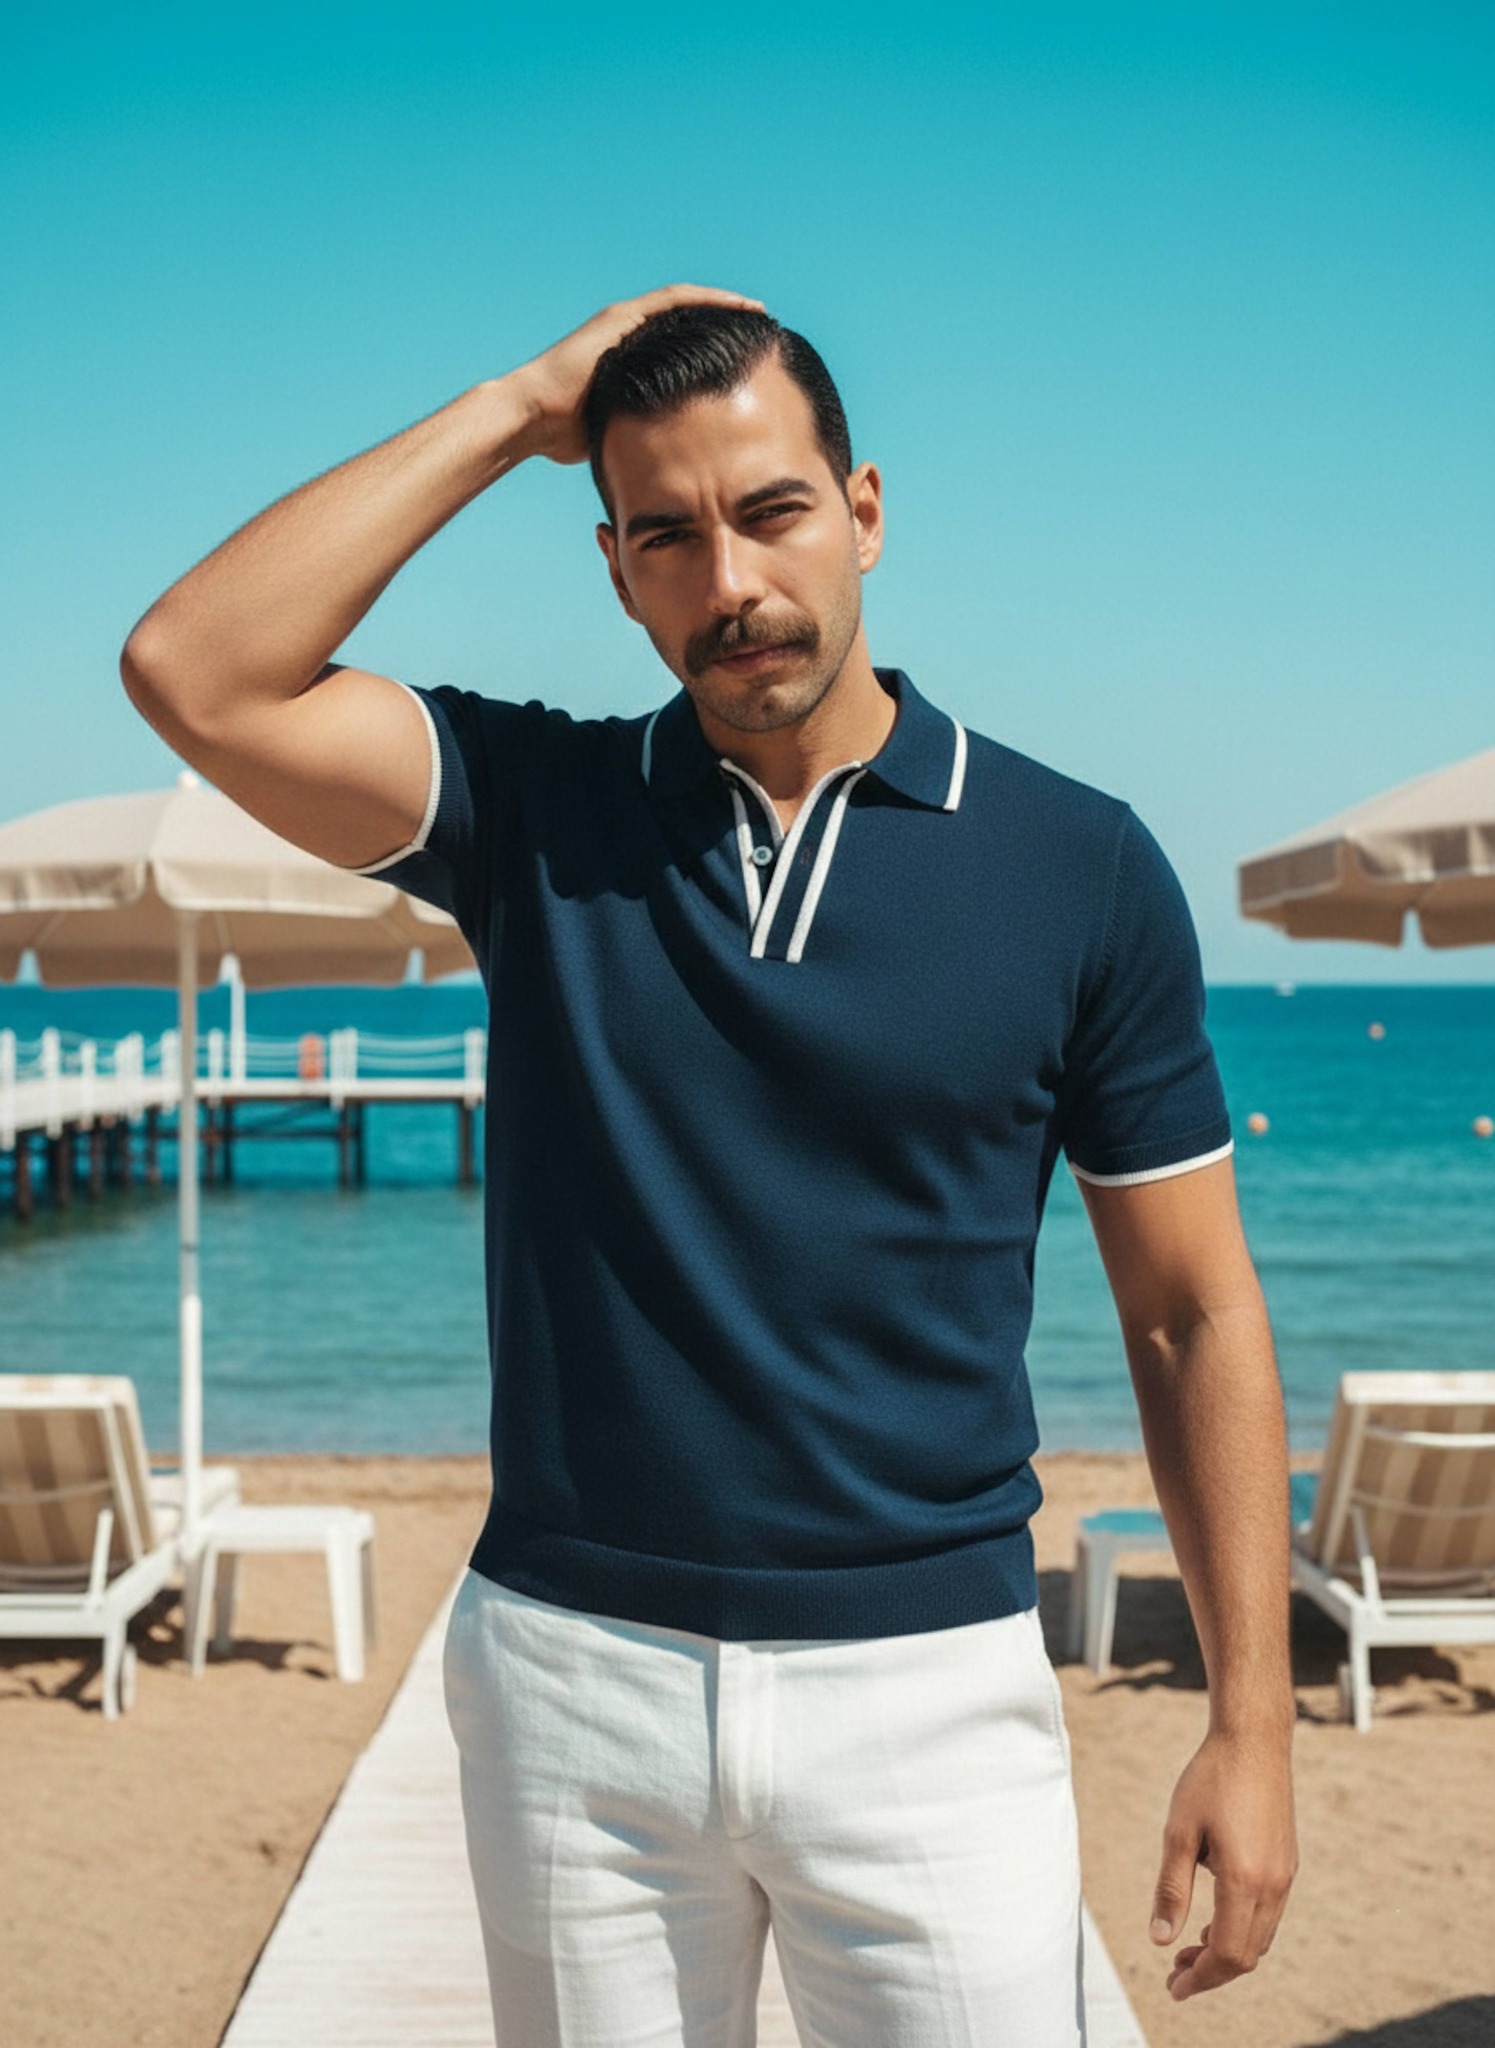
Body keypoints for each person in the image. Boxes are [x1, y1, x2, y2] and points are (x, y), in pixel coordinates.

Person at [122, 283, 1298, 2045]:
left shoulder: (1079, 864)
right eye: (665, 534)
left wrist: (1254, 1728)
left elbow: (1195, 1314)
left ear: (866, 513)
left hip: (930, 1695)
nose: (731, 580)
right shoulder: (539, 815)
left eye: (771, 511)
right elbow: (192, 668)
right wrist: (521, 404)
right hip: (569, 1688)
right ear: (612, 567)